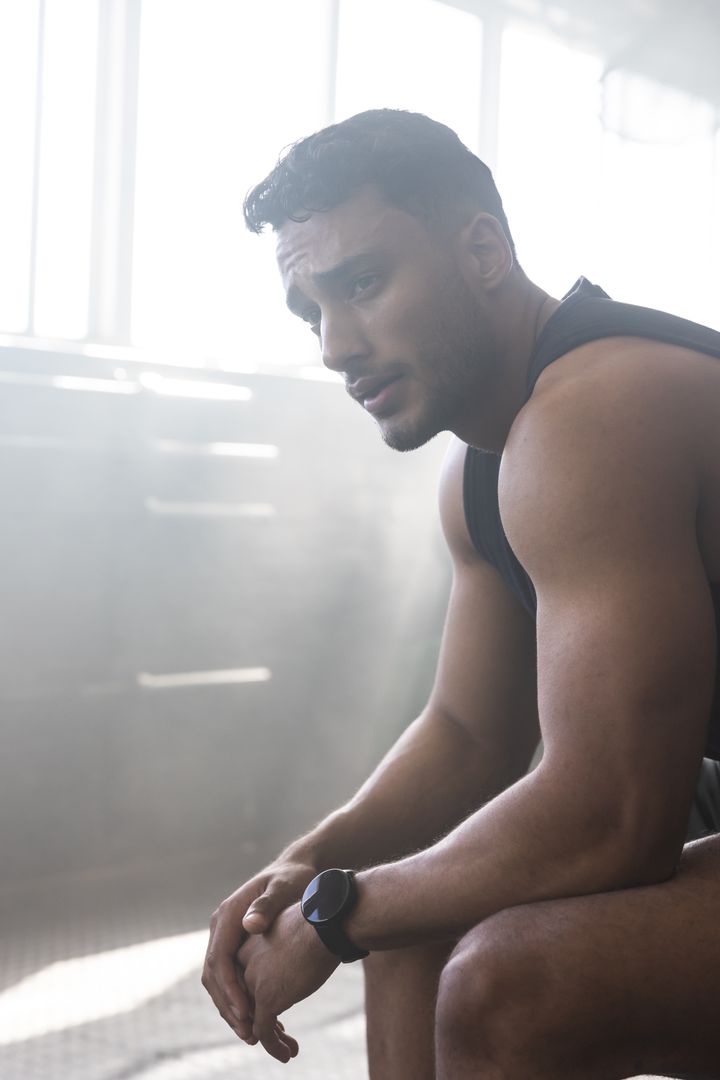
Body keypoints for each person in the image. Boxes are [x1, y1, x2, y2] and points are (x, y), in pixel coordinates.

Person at [202, 109, 720, 1078]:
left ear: (481, 249)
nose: (333, 345)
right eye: (309, 309)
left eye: (361, 283)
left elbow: (615, 817)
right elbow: (469, 734)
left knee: (509, 983)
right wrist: (311, 863)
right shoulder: (482, 471)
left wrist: (337, 916)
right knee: (408, 925)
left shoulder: (602, 408)